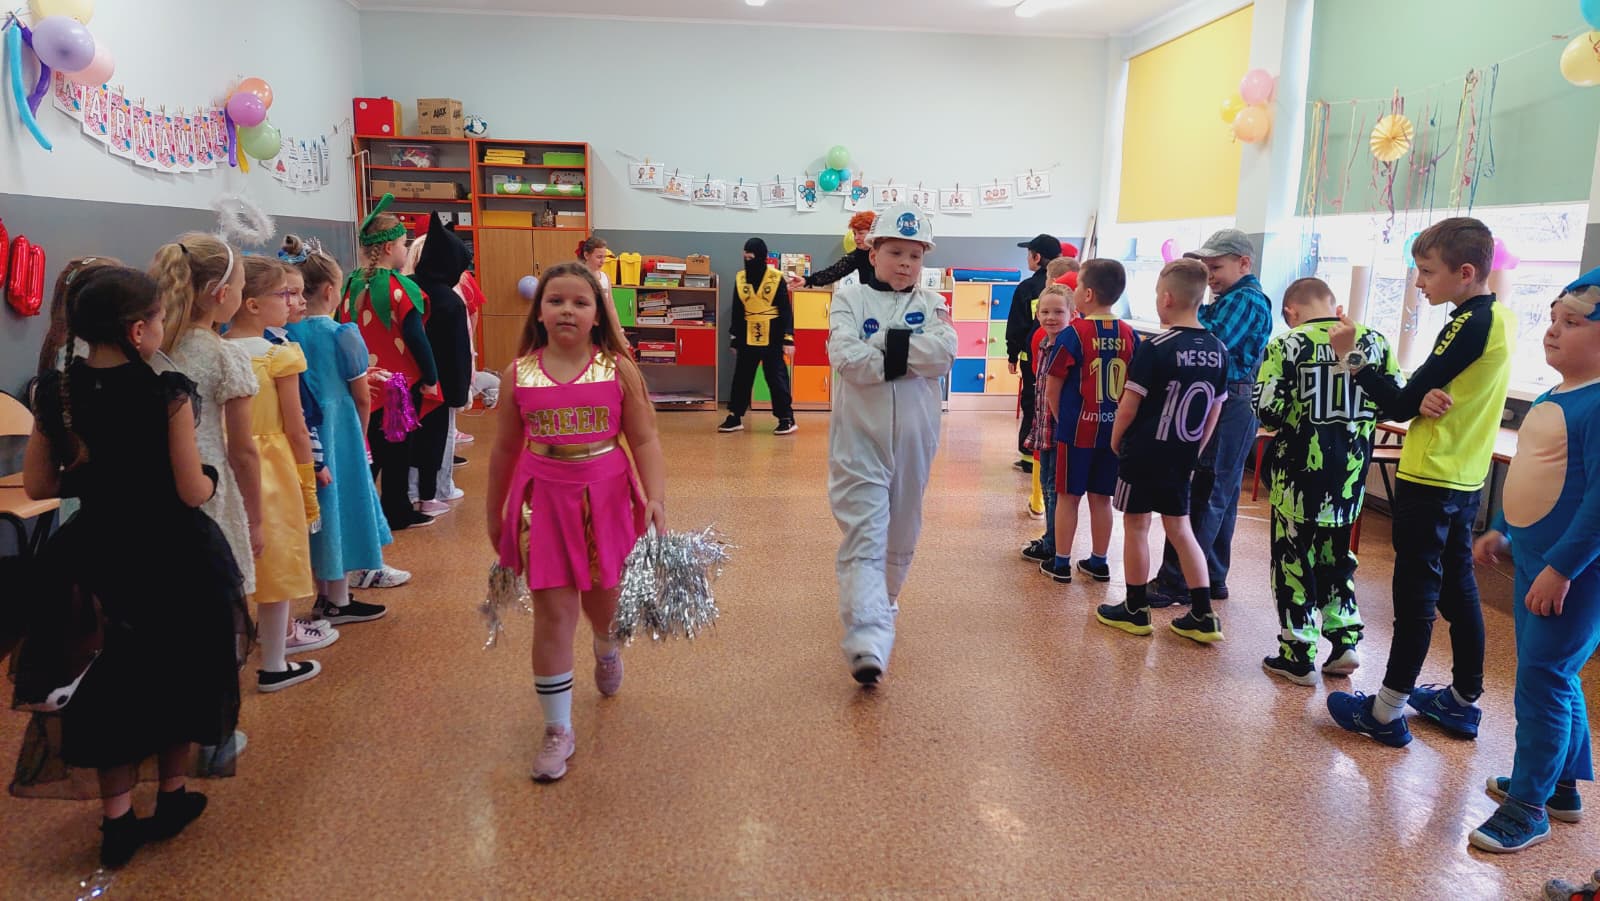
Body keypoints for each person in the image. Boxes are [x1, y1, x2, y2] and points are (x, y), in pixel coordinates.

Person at [23, 266, 250, 868]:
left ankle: (117, 819)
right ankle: (172, 797)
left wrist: (95, 479)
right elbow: (190, 489)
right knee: (179, 672)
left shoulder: (55, 391)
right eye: (157, 319)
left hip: (96, 552)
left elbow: (39, 484)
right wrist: (210, 479)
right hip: (173, 555)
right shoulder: (165, 391)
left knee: (110, 684)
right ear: (138, 330)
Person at [1326, 217, 1515, 748]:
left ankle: (1385, 712)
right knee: (1457, 588)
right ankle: (1462, 700)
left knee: (1415, 595)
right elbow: (1426, 393)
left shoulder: (1468, 322)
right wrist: (1420, 396)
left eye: (1428, 272)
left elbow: (1399, 404)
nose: (1419, 282)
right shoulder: (1499, 317)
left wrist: (1352, 356)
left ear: (1466, 272)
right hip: (1465, 475)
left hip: (1431, 475)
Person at [485, 261, 666, 783]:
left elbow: (645, 439)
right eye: (556, 300)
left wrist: (655, 497)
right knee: (553, 613)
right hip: (542, 502)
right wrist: (495, 509)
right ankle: (557, 729)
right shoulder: (518, 374)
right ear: (539, 312)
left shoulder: (618, 369)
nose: (567, 310)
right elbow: (504, 449)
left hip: (606, 497)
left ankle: (606, 648)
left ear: (597, 315)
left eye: (580, 302)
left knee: (603, 604)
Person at [1465, 269, 1600, 853]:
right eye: (1552, 319)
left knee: (1543, 680)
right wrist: (1502, 531)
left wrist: (1562, 568)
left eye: (1572, 323)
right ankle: (1561, 787)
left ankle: (1528, 806)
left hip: (1574, 573)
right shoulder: (1555, 395)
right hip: (1535, 560)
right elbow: (1536, 476)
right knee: (1551, 673)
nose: (1553, 331)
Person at [827, 204, 957, 685]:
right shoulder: (849, 299)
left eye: (915, 255)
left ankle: (885, 603)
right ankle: (866, 637)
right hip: (859, 439)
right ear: (873, 252)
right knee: (866, 531)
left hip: (915, 441)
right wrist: (906, 354)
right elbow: (846, 357)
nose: (905, 263)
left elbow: (944, 354)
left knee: (902, 530)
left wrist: (883, 346)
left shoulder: (933, 302)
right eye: (896, 253)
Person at [1253, 277, 1397, 685]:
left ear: (1291, 311)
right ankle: (1345, 640)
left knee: (1292, 562)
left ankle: (1298, 654)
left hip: (1296, 479)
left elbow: (1268, 411)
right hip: (1350, 479)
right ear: (1334, 306)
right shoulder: (1374, 342)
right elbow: (1393, 402)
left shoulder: (1286, 344)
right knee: (1337, 560)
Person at [1095, 259, 1228, 643]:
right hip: (1182, 454)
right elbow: (1215, 409)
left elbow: (1129, 404)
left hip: (1144, 452)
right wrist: (1195, 449)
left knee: (1136, 525)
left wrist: (1117, 439)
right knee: (1180, 528)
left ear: (1167, 298)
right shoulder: (1219, 349)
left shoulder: (1155, 347)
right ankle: (1203, 613)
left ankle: (1136, 608)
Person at [1149, 229, 1273, 607]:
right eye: (1205, 268)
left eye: (1215, 268)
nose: (1209, 276)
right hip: (1226, 397)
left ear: (1244, 263)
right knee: (1221, 491)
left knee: (1206, 490)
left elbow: (1206, 338)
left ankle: (1179, 581)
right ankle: (1212, 575)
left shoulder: (1245, 300)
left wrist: (1185, 308)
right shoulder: (1227, 299)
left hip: (1230, 400)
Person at [225, 257, 330, 693]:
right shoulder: (279, 356)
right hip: (272, 466)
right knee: (278, 562)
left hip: (225, 463)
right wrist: (307, 482)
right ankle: (273, 663)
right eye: (283, 294)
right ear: (252, 304)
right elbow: (297, 429)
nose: (291, 301)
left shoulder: (218, 350)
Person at [282, 235, 391, 628]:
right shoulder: (342, 334)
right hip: (340, 433)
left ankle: (323, 594)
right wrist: (361, 438)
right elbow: (361, 396)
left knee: (317, 512)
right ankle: (339, 600)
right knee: (341, 508)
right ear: (331, 291)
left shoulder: (285, 332)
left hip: (300, 431)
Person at [156, 234, 261, 598]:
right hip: (206, 481)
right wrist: (256, 518)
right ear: (222, 293)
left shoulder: (151, 347)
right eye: (241, 288)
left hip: (154, 481)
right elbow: (242, 451)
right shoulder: (225, 355)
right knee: (213, 593)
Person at [342, 194, 440, 531]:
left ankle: (360, 512)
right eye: (402, 244)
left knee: (369, 450)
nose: (404, 250)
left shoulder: (350, 285)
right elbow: (416, 337)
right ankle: (396, 510)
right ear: (388, 248)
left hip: (361, 382)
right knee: (397, 451)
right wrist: (430, 376)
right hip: (397, 386)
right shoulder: (401, 288)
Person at [1042, 259, 1138, 584]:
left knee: (1068, 497)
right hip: (1113, 433)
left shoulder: (1074, 334)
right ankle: (1099, 561)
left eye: (1079, 285)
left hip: (1077, 431)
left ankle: (1061, 563)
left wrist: (1064, 422)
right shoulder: (1129, 334)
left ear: (1088, 294)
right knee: (1101, 498)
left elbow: (1052, 387)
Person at [408, 215, 475, 516]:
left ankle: (408, 493)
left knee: (406, 439)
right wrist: (460, 393)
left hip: (404, 382)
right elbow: (458, 352)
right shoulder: (450, 301)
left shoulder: (407, 288)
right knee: (435, 441)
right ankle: (430, 496)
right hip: (438, 387)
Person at [720, 237, 797, 436]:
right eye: (745, 258)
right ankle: (735, 416)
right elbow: (738, 310)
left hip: (772, 334)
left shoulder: (775, 278)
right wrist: (735, 337)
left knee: (776, 377)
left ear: (761, 257)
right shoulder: (741, 279)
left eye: (751, 257)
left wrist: (788, 338)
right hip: (747, 334)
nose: (748, 261)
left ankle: (786, 418)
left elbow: (785, 310)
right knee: (742, 377)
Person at [1020, 285, 1071, 564]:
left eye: (1058, 312)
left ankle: (1054, 543)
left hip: (1059, 429)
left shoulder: (1067, 346)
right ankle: (1051, 537)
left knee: (1054, 488)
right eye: (1045, 311)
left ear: (1072, 314)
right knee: (1046, 482)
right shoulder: (1044, 344)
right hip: (1044, 428)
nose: (1050, 317)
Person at [1005, 235, 1063, 473]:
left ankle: (1030, 456)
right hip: (1062, 356)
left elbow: (1016, 325)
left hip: (1032, 358)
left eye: (1029, 254)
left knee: (1032, 402)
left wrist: (1012, 355)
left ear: (1037, 257)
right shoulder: (1066, 291)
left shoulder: (1027, 287)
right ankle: (1052, 455)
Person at [787, 211, 875, 290]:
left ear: (873, 233)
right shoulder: (858, 254)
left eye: (861, 233)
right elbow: (833, 272)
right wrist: (807, 280)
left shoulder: (881, 254)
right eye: (854, 233)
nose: (856, 238)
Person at [577, 235, 613, 305]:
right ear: (586, 255)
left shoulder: (605, 278)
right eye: (599, 257)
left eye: (604, 257)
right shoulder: (578, 277)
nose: (603, 261)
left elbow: (610, 306)